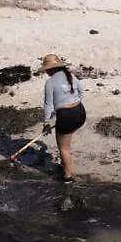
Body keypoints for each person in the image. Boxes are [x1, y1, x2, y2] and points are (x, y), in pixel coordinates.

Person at [40, 54, 86, 184]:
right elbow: (81, 92)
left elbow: (48, 105)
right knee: (66, 140)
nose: (46, 71)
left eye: (47, 69)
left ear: (51, 69)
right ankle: (66, 166)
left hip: (67, 116)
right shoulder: (70, 75)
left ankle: (67, 177)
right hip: (80, 112)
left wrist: (47, 123)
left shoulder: (50, 83)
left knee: (64, 148)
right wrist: (73, 105)